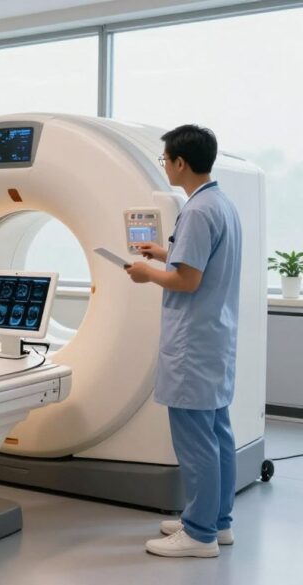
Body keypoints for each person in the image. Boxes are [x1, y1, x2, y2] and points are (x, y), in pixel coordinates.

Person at [125, 125, 241, 558]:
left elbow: (187, 280)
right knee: (217, 432)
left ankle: (198, 534)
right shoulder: (220, 203)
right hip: (215, 337)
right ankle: (218, 521)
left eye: (165, 159)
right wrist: (163, 254)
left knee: (195, 441)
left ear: (179, 162)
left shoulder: (196, 211)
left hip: (194, 342)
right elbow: (198, 265)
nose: (165, 166)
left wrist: (146, 273)